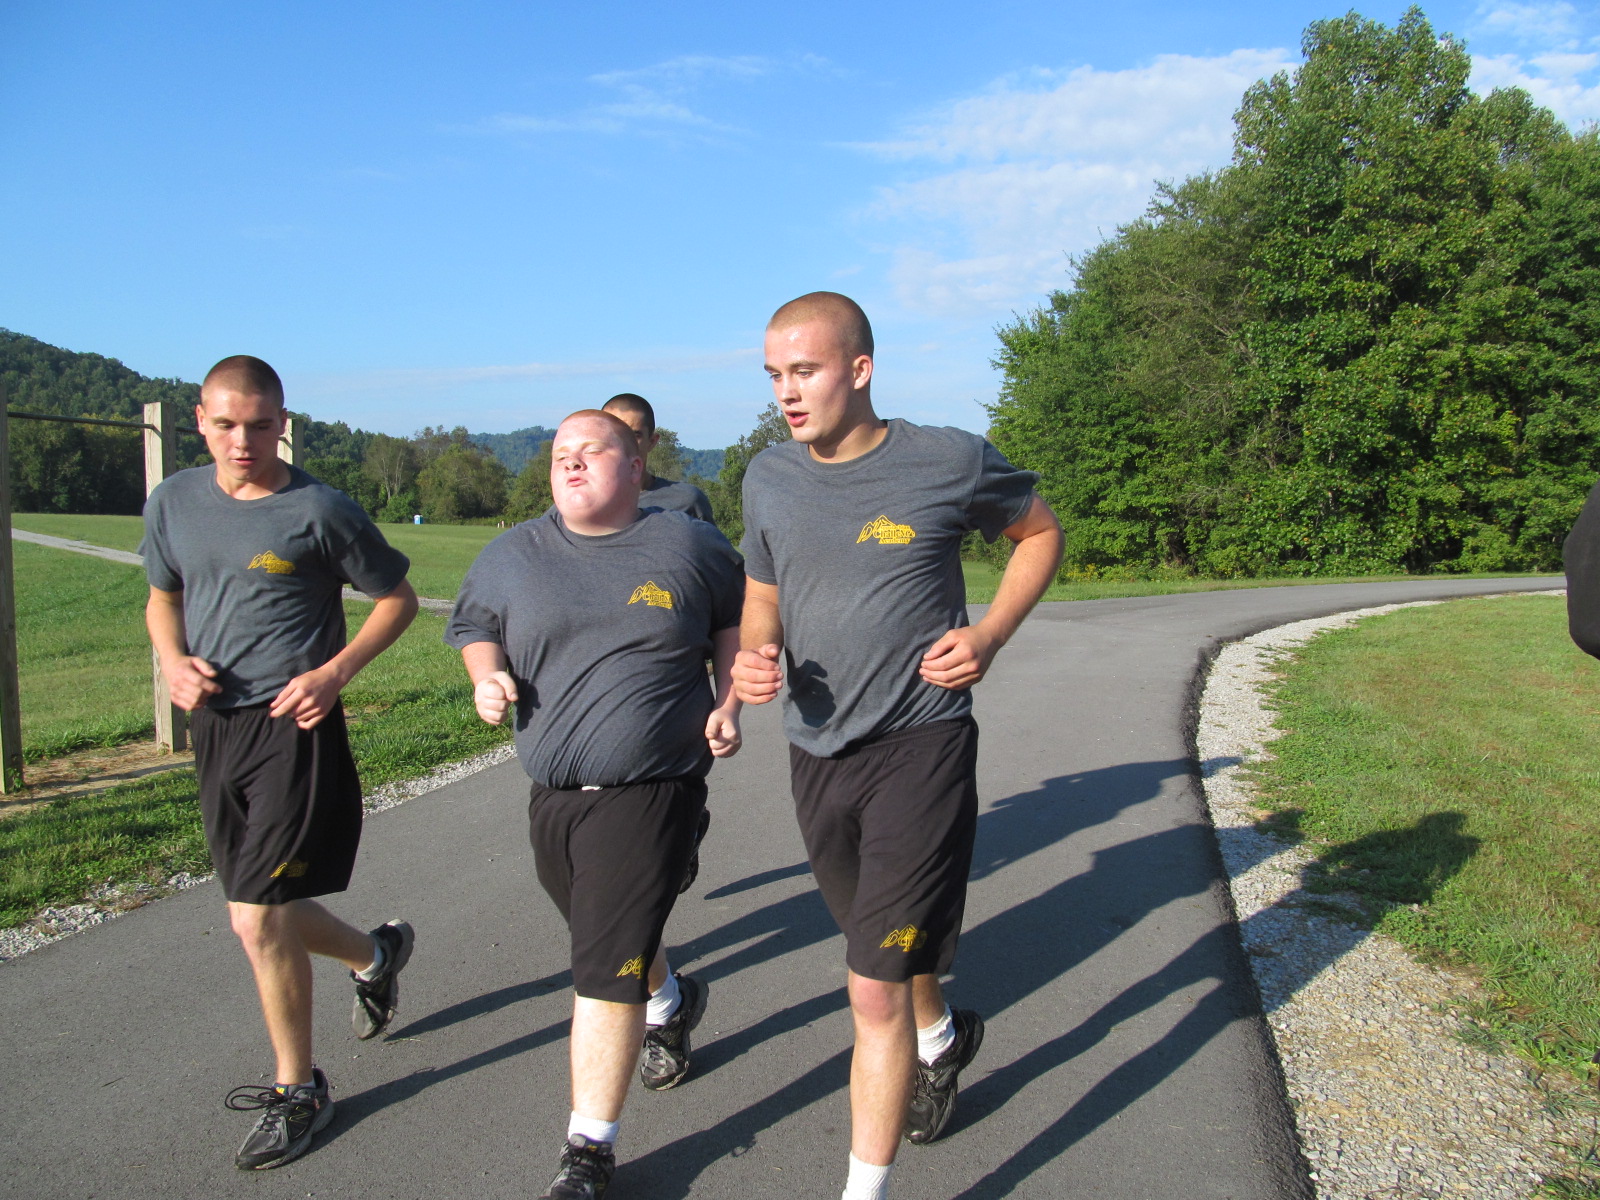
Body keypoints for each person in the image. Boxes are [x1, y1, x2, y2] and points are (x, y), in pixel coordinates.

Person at [732, 293, 1064, 1200]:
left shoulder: (946, 461)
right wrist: (755, 656)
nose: (785, 394)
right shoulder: (768, 477)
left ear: (860, 370)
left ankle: (863, 1189)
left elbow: (1039, 532)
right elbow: (762, 590)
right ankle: (942, 1039)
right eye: (773, 376)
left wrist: (989, 633)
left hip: (922, 744)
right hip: (816, 749)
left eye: (802, 372)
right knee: (879, 941)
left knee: (869, 987)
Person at [447, 409, 744, 1200]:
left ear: (636, 465)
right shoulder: (515, 553)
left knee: (598, 973)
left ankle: (589, 1150)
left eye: (592, 452)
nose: (572, 464)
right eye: (559, 455)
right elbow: (475, 622)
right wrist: (486, 674)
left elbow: (736, 619)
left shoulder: (687, 544)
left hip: (652, 787)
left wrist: (729, 701)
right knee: (606, 938)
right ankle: (671, 1001)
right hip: (553, 796)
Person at [141, 355, 420, 1170]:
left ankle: (300, 1090)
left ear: (282, 423)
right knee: (264, 906)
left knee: (255, 917)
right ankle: (375, 954)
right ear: (199, 420)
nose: (243, 441)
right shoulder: (176, 502)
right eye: (227, 424)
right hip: (216, 729)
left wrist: (334, 674)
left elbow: (397, 599)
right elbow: (163, 595)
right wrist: (170, 660)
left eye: (260, 425)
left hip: (290, 725)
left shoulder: (319, 511)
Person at [601, 393, 715, 522]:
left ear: (652, 441)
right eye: (614, 435)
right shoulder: (580, 505)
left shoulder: (685, 502)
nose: (622, 443)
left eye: (635, 436)